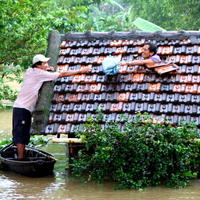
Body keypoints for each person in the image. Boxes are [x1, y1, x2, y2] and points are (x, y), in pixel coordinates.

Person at [12, 54, 91, 159]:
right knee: (21, 135)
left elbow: (40, 71)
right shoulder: (40, 74)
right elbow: (62, 74)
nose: (47, 64)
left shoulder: (30, 71)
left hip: (20, 107)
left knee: (23, 134)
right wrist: (81, 70)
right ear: (39, 65)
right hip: (22, 108)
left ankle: (20, 157)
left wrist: (47, 69)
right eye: (45, 63)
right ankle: (21, 160)